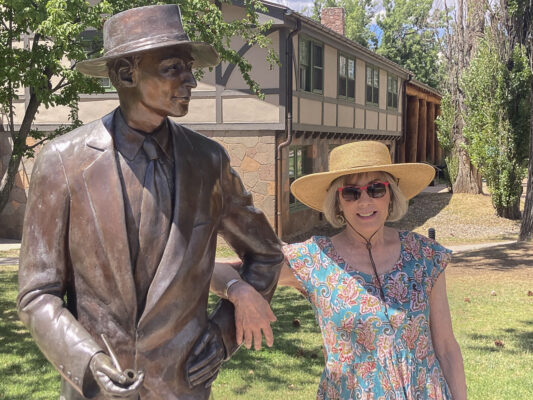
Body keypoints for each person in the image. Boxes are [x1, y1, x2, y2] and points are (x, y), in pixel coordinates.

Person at [17, 5, 283, 400]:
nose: (191, 80)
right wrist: (86, 361)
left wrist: (224, 334)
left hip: (184, 384)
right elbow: (37, 294)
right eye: (173, 67)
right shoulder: (62, 162)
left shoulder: (208, 162)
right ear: (127, 74)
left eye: (189, 68)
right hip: (94, 390)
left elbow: (266, 254)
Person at [212, 141, 467, 399]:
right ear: (338, 202)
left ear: (391, 195)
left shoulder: (425, 255)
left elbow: (446, 348)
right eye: (351, 193)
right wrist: (239, 290)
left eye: (376, 189)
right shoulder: (315, 260)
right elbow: (207, 270)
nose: (364, 201)